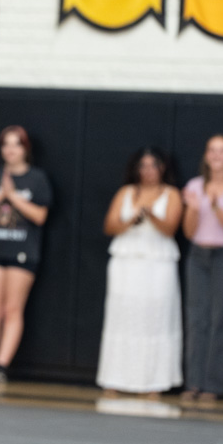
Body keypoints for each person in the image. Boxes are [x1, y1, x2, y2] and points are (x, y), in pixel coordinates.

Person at [97, 148, 183, 398]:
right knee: (123, 316)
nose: (148, 171)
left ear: (162, 168)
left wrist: (152, 214)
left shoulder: (172, 194)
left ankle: (153, 381)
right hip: (127, 262)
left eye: (153, 165)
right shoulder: (125, 192)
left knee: (154, 318)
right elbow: (109, 226)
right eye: (143, 166)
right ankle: (115, 378)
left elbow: (170, 228)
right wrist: (132, 218)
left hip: (157, 263)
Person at [0, 125, 52, 383]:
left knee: (12, 309)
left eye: (16, 144)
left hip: (23, 252)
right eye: (6, 144)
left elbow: (40, 215)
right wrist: (0, 196)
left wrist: (13, 196)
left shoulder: (36, 178)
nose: (10, 149)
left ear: (25, 148)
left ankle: (1, 365)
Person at [181, 134, 223, 404]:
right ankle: (194, 382)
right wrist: (193, 209)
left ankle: (213, 385)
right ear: (205, 155)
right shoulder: (195, 185)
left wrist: (215, 206)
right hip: (198, 256)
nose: (216, 155)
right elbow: (189, 232)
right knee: (196, 318)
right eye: (212, 150)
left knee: (220, 319)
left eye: (222, 150)